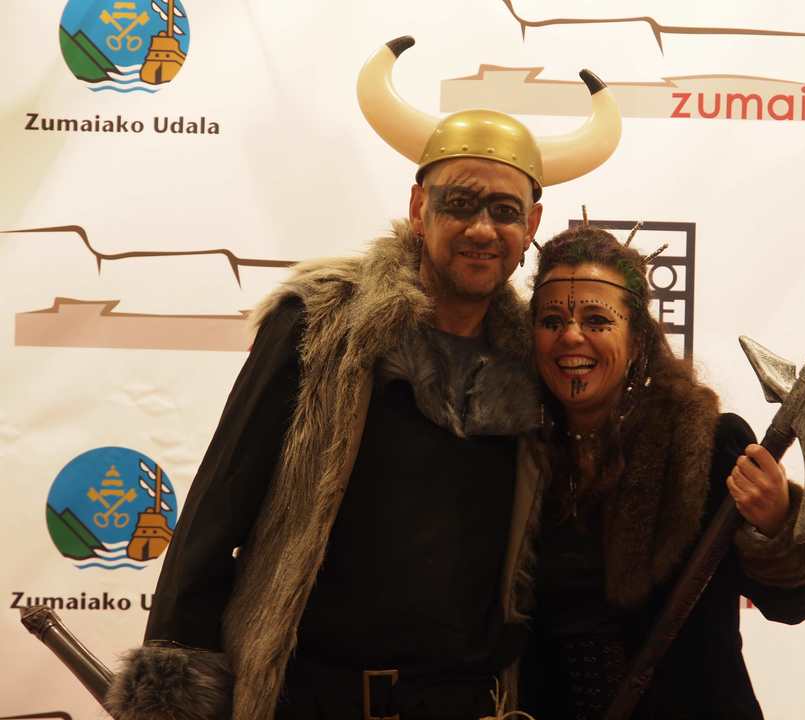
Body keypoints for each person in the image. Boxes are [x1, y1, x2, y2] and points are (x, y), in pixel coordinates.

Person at [103, 37, 621, 720]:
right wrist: (175, 688)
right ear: (418, 206)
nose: (481, 228)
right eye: (459, 203)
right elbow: (216, 508)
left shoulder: (533, 368)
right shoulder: (321, 326)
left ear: (532, 225)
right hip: (312, 702)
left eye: (503, 210)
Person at [521, 224, 805, 719]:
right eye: (551, 320)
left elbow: (798, 603)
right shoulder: (518, 455)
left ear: (637, 337)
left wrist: (777, 524)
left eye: (597, 319)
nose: (571, 336)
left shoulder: (708, 444)